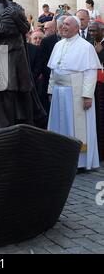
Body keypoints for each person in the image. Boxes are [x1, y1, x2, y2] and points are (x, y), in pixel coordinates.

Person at [48, 16, 101, 170]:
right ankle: (60, 159)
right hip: (58, 92)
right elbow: (53, 71)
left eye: (67, 24)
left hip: (76, 93)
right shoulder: (58, 45)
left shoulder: (86, 47)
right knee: (59, 126)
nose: (63, 26)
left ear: (77, 28)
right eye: (62, 24)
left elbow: (90, 74)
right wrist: (50, 91)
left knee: (75, 127)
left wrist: (87, 96)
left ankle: (79, 162)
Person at [89, 22, 104, 161]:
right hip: (95, 86)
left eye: (94, 31)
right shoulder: (89, 43)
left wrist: (100, 53)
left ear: (102, 31)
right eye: (90, 31)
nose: (92, 33)